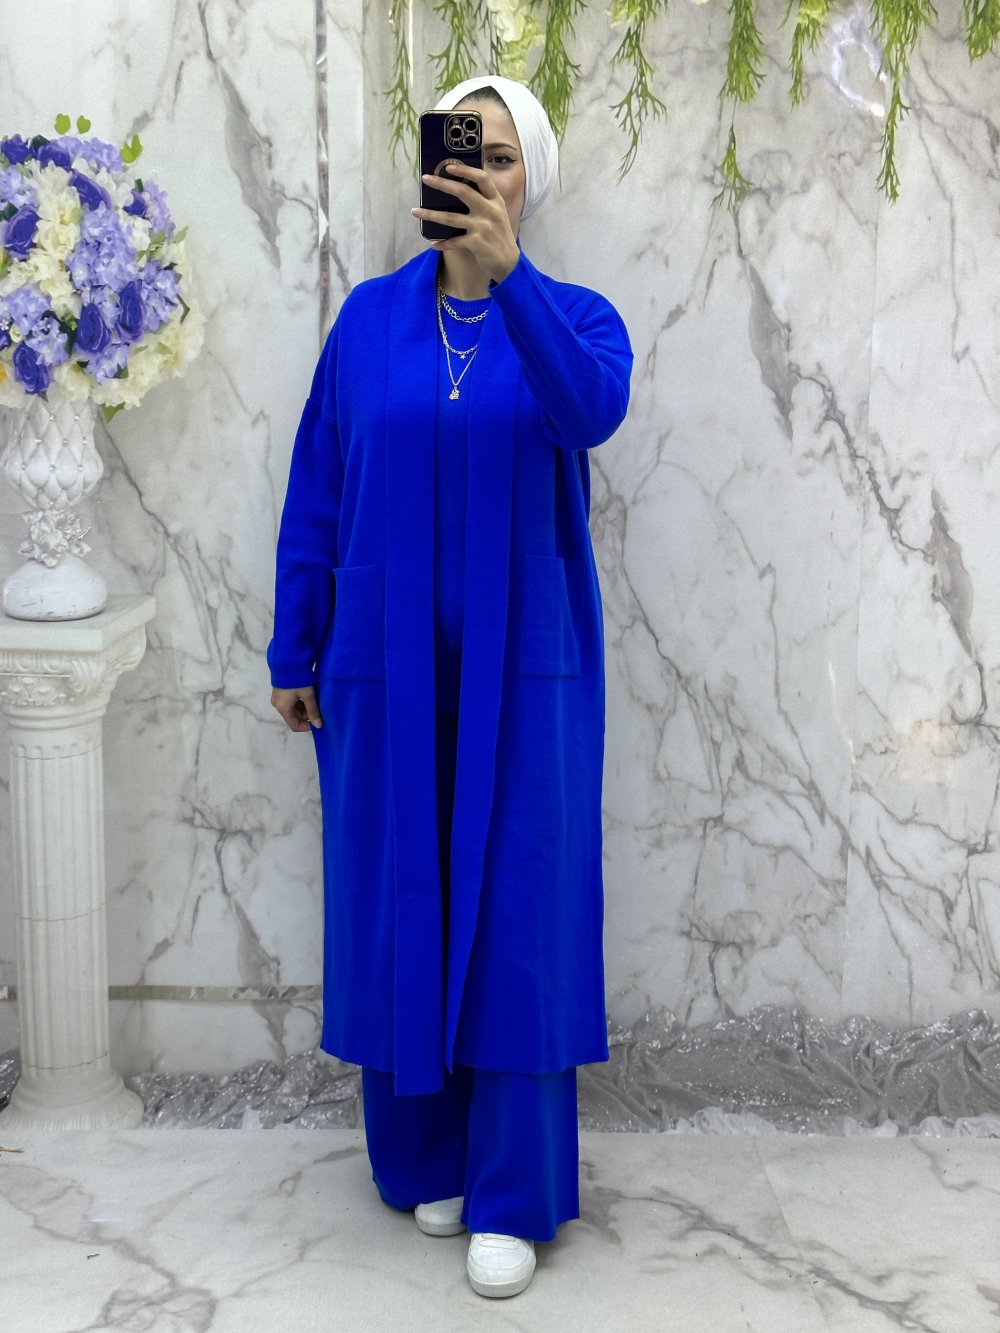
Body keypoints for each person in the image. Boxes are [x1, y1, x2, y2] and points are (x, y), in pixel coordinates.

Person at [268, 74, 632, 1300]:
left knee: (522, 911)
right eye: (459, 151)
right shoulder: (368, 321)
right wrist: (294, 644)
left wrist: (510, 279)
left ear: (531, 179)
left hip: (524, 670)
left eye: (501, 156)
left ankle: (514, 1190)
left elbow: (589, 416)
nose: (477, 173)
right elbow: (320, 480)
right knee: (399, 893)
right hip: (382, 661)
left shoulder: (575, 318)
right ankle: (424, 1153)